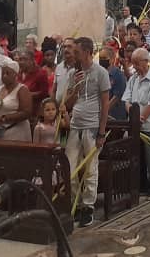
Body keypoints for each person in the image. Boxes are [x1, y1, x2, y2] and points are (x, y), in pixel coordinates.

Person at [62, 37, 110, 227]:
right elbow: (68, 103)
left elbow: (105, 104)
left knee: (90, 168)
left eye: (78, 52)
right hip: (75, 124)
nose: (74, 55)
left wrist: (101, 132)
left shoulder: (101, 73)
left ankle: (88, 207)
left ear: (88, 52)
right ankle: (76, 203)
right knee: (70, 168)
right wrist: (75, 88)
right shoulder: (74, 73)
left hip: (92, 126)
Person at [123, 48, 150, 196]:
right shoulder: (133, 79)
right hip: (134, 125)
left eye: (137, 63)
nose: (134, 67)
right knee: (137, 158)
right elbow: (126, 100)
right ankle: (140, 186)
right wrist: (133, 116)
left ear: (146, 62)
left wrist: (140, 119)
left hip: (149, 126)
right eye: (133, 63)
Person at [0, 57, 33, 141]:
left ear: (15, 74)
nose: (4, 76)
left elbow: (26, 113)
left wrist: (3, 118)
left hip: (17, 133)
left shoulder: (22, 89)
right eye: (3, 73)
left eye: (7, 73)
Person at [16, 48, 50, 119]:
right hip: (20, 112)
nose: (21, 62)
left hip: (34, 113)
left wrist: (27, 95)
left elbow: (44, 93)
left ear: (32, 60)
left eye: (24, 59)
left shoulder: (41, 73)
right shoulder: (18, 73)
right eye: (20, 59)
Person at [98, 47, 127, 122]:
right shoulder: (99, 74)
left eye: (104, 58)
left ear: (112, 59)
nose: (101, 60)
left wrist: (103, 111)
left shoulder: (118, 75)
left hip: (115, 117)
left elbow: (116, 98)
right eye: (100, 58)